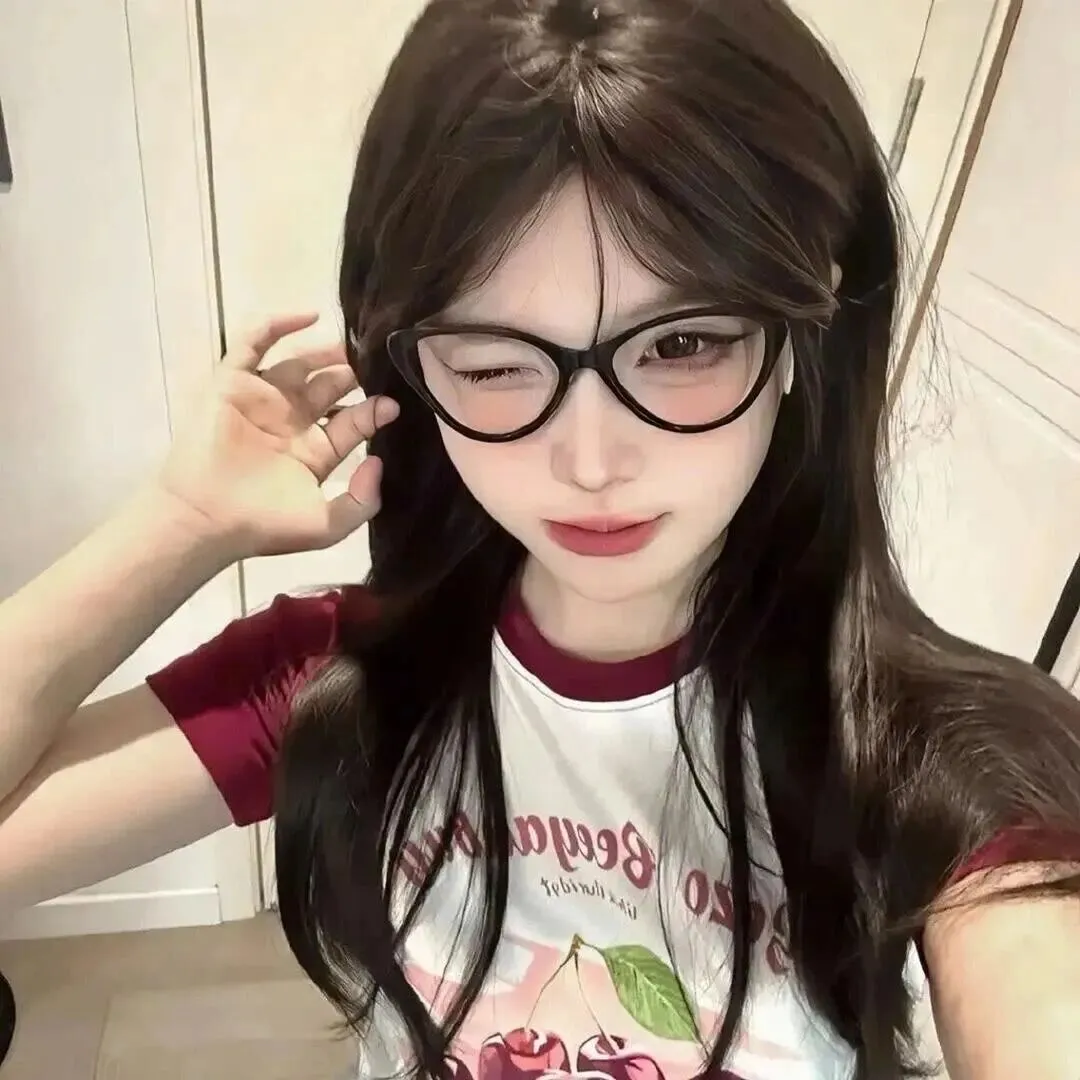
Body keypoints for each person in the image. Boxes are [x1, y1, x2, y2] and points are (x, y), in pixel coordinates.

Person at [1, 1, 1079, 1077]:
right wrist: (183, 526)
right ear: (407, 364)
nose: (591, 459)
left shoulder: (940, 767)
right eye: (494, 363)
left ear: (809, 330)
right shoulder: (348, 685)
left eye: (682, 344)